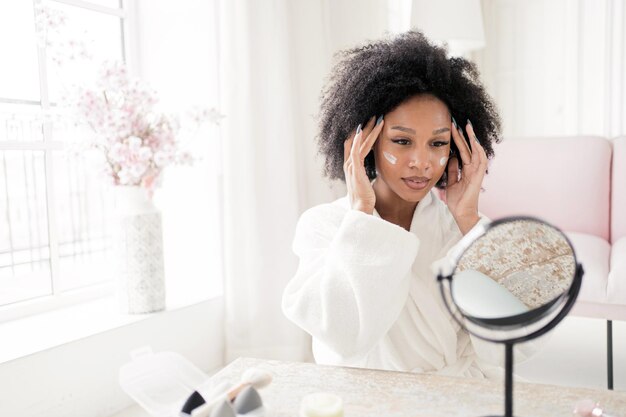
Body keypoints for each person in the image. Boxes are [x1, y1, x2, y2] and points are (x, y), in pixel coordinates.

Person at [282, 31, 503, 378]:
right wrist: (361, 217)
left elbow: (511, 341)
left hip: (454, 396)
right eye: (402, 141)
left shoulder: (461, 228)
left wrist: (469, 220)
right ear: (364, 143)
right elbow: (344, 336)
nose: (421, 161)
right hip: (362, 402)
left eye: (438, 143)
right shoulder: (323, 225)